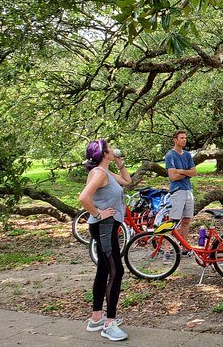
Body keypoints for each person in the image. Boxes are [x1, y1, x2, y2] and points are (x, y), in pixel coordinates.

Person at [78, 139, 132, 341]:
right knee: (117, 271)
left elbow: (127, 181)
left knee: (103, 269)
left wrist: (119, 163)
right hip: (104, 227)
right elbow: (83, 197)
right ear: (104, 154)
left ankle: (96, 318)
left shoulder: (105, 172)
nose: (113, 148)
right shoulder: (99, 173)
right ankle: (109, 323)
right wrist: (99, 214)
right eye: (109, 147)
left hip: (106, 226)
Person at [165, 130, 197, 258]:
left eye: (185, 138)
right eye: (182, 138)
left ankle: (184, 248)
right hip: (177, 191)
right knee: (172, 221)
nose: (184, 140)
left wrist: (180, 171)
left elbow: (194, 172)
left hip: (188, 191)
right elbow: (173, 177)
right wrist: (186, 172)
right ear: (175, 140)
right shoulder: (170, 156)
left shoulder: (187, 155)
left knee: (186, 220)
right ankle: (167, 250)